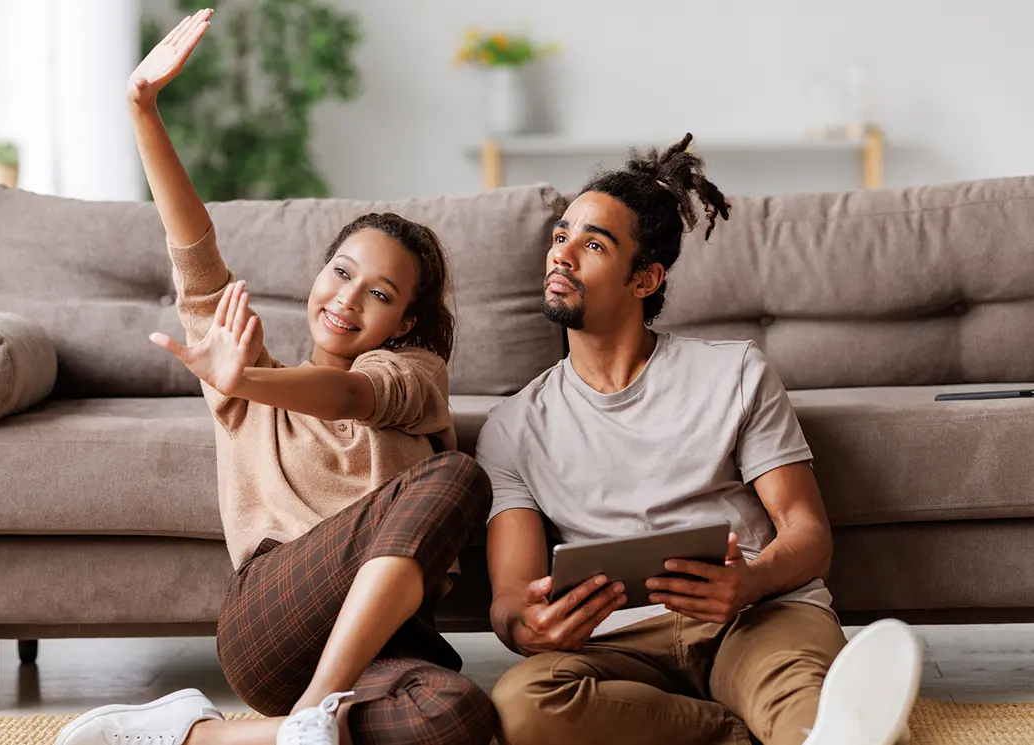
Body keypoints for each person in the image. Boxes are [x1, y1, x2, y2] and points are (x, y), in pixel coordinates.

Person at [57, 9, 496, 745]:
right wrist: (141, 109)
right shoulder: (245, 371)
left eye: (380, 295)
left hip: (386, 642)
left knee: (458, 715)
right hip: (272, 621)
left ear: (406, 323)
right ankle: (312, 715)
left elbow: (355, 395)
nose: (349, 299)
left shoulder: (415, 376)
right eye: (342, 271)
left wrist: (250, 381)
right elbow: (193, 248)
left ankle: (209, 736)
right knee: (457, 477)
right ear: (320, 273)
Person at [477, 134, 923, 745]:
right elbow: (509, 596)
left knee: (803, 709)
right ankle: (750, 732)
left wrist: (752, 581)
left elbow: (808, 536)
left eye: (593, 244)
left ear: (645, 279)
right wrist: (527, 627)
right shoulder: (512, 426)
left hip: (754, 617)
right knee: (521, 706)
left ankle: (809, 723)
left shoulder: (734, 372)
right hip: (618, 644)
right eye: (560, 236)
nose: (563, 255)